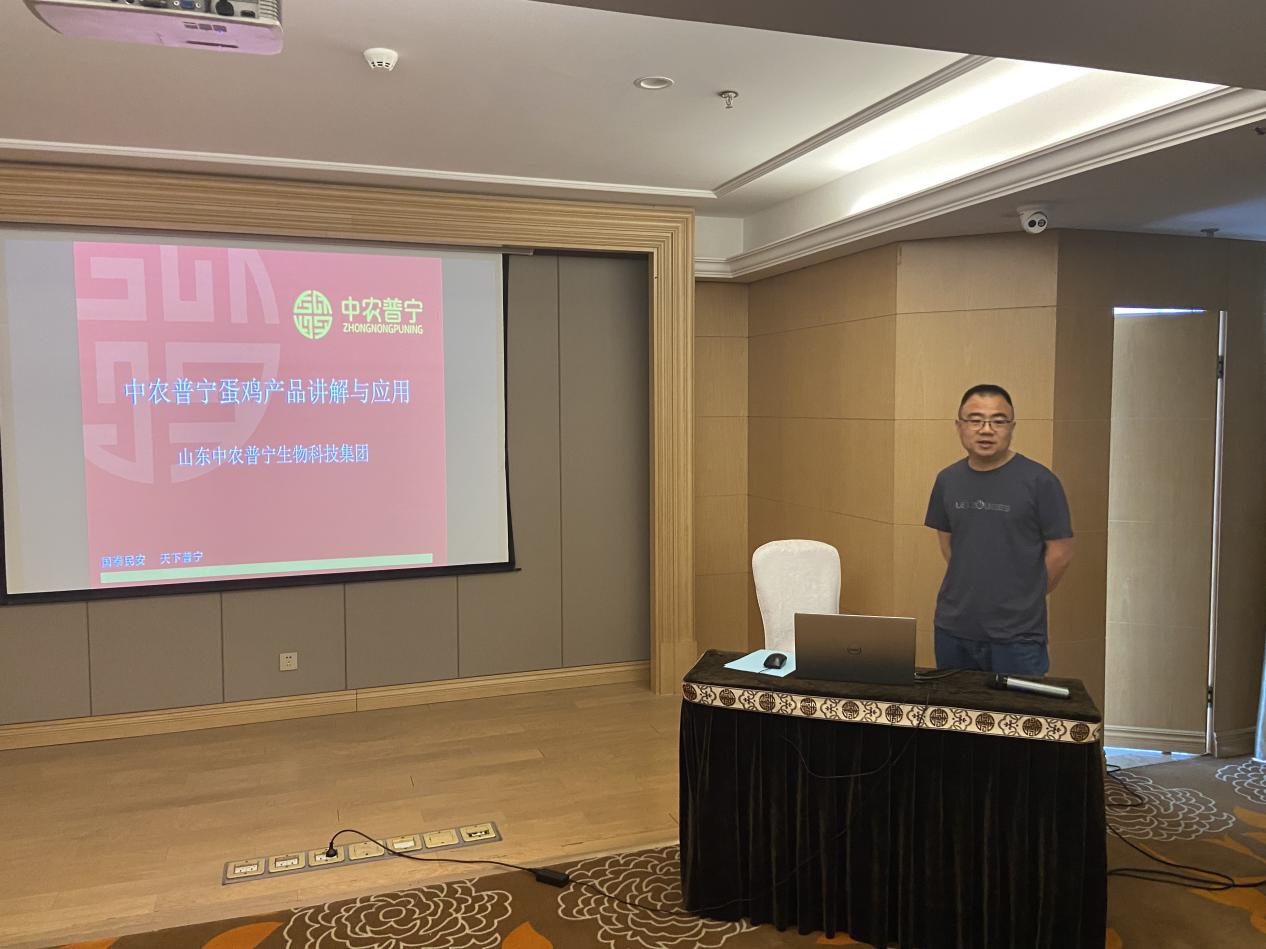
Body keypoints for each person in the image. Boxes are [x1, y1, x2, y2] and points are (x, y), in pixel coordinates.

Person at [924, 384, 1074, 675]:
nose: (986, 430)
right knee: (955, 705)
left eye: (998, 421)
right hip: (953, 629)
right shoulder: (947, 480)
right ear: (959, 426)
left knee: (1017, 707)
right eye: (975, 420)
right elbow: (949, 545)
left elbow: (1061, 553)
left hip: (1018, 637)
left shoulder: (1040, 481)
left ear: (1012, 427)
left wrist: (1025, 597)